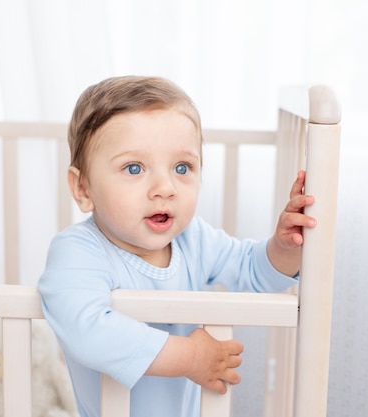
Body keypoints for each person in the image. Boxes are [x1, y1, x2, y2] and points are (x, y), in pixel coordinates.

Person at [38, 75, 316, 417]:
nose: (165, 187)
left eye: (182, 167)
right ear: (83, 189)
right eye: (134, 168)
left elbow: (254, 272)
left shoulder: (193, 240)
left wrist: (286, 245)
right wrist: (189, 357)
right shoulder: (79, 252)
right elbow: (87, 329)